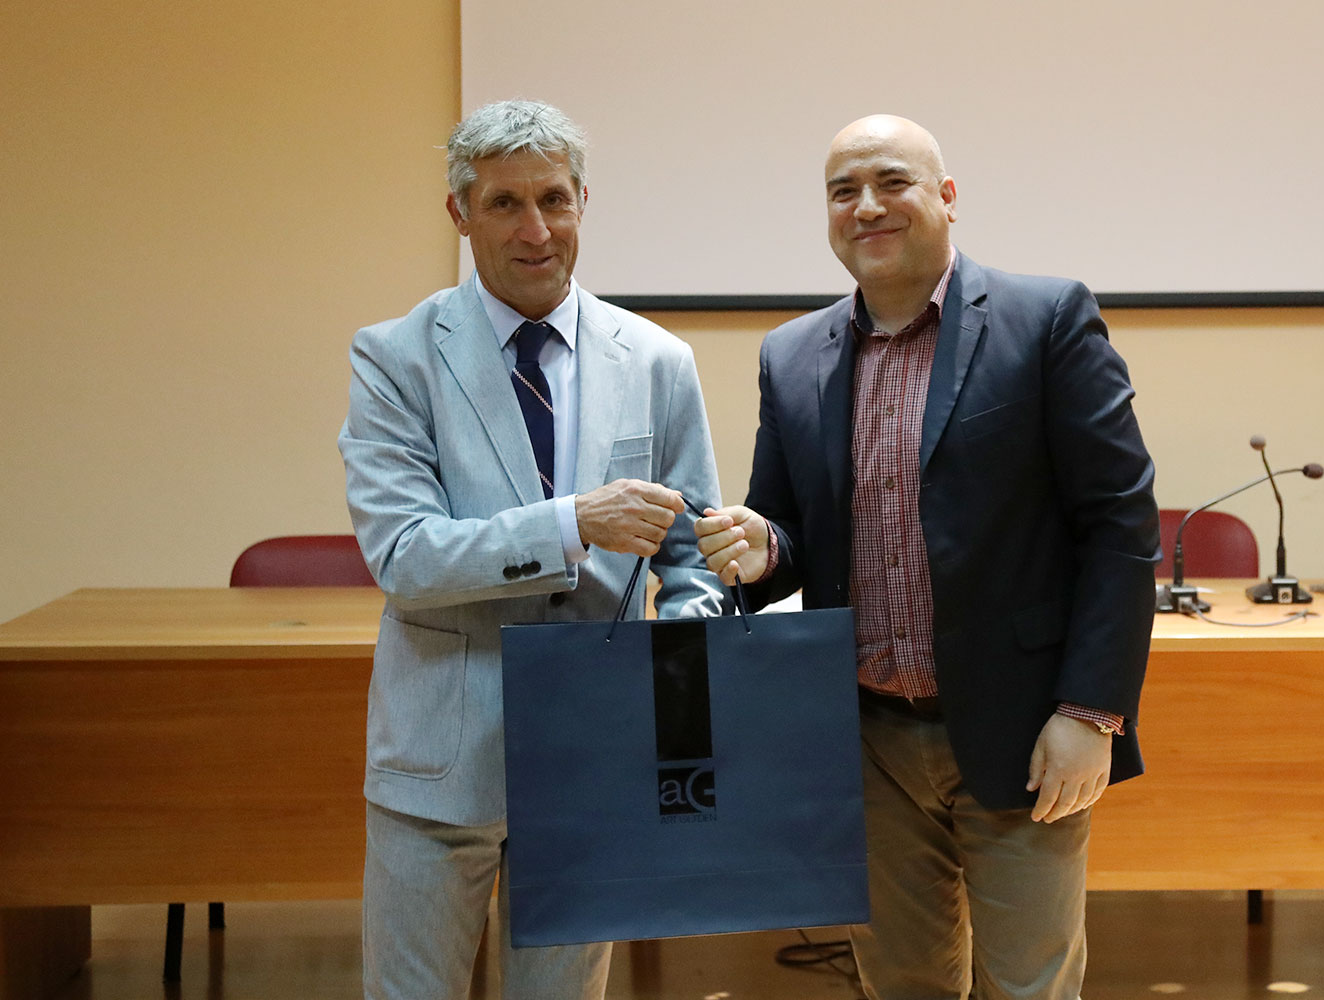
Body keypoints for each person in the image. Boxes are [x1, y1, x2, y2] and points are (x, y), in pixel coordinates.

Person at [694, 115, 1159, 1000]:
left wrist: (1092, 711)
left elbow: (1119, 525)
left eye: (891, 181)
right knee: (901, 985)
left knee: (1029, 986)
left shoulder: (1046, 319)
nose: (866, 206)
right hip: (865, 742)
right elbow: (788, 536)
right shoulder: (791, 356)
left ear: (947, 197)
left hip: (1026, 732)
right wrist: (761, 548)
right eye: (843, 191)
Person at [339, 99, 724, 1000]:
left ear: (584, 200)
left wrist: (682, 682)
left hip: (596, 758)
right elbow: (405, 558)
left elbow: (691, 559)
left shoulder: (658, 360)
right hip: (442, 763)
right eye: (505, 203)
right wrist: (571, 524)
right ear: (459, 212)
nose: (536, 230)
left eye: (553, 199)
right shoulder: (395, 358)